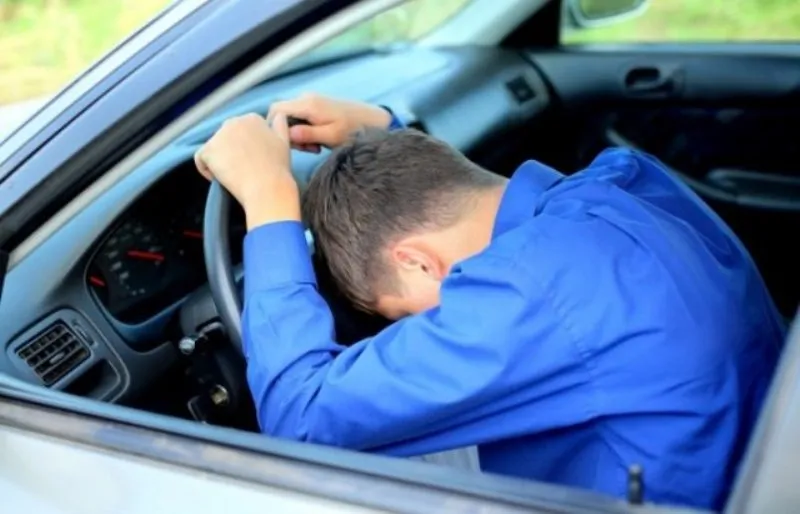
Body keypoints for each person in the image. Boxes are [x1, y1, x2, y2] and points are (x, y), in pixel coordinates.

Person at [194, 93, 784, 510]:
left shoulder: (523, 291)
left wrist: (269, 200)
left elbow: (300, 421)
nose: (415, 327)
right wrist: (392, 137)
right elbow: (458, 196)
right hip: (741, 461)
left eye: (404, 315)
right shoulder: (622, 180)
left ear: (417, 262)